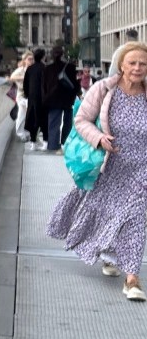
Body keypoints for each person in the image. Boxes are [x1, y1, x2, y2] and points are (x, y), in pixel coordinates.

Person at [47, 41, 147, 301]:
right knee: (107, 212)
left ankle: (132, 278)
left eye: (143, 64)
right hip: (110, 167)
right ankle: (108, 253)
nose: (138, 68)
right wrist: (100, 139)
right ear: (121, 66)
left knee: (136, 217)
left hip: (141, 170)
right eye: (133, 63)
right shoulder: (104, 89)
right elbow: (81, 120)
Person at [41, 45, 80, 152]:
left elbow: (44, 85)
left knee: (53, 122)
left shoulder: (48, 69)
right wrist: (75, 94)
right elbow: (75, 84)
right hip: (67, 98)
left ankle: (53, 145)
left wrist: (45, 97)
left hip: (52, 99)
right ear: (62, 54)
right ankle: (65, 144)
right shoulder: (70, 67)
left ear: (52, 55)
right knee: (67, 122)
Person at [23, 48, 48, 150]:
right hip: (43, 99)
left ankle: (33, 143)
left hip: (32, 98)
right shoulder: (45, 68)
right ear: (42, 57)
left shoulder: (30, 69)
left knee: (33, 120)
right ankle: (45, 142)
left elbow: (25, 85)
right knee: (43, 120)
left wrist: (28, 94)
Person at [8, 50, 33, 140]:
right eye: (29, 59)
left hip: (31, 95)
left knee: (29, 115)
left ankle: (27, 132)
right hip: (22, 95)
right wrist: (23, 78)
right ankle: (21, 133)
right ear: (25, 60)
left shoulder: (33, 70)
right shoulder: (20, 70)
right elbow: (12, 77)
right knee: (22, 115)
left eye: (32, 59)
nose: (31, 61)